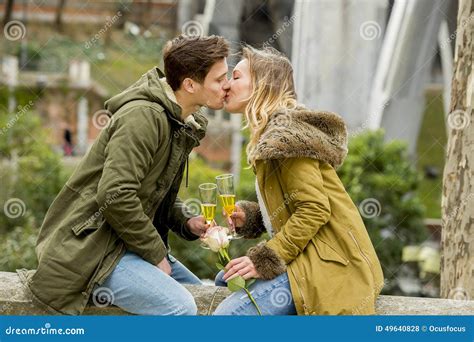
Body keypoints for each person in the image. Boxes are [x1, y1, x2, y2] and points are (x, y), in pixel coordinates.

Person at [17, 35, 231, 315]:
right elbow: (116, 194)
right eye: (220, 79)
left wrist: (187, 221)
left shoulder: (178, 121)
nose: (226, 85)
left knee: (212, 302)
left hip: (125, 244)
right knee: (181, 308)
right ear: (190, 85)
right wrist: (156, 254)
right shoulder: (143, 118)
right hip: (94, 251)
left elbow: (151, 192)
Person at [213, 46, 384, 315]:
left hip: (327, 265)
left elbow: (314, 208)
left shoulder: (287, 135)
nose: (226, 85)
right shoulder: (273, 133)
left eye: (236, 77)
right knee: (223, 281)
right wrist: (252, 217)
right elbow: (294, 203)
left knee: (227, 316)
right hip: (304, 258)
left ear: (261, 85)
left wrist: (264, 260)